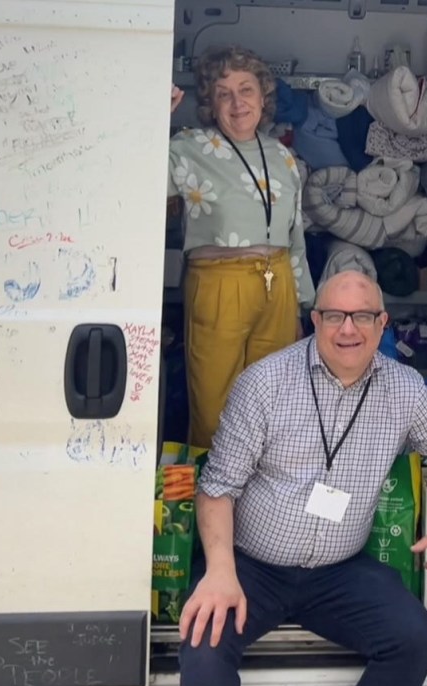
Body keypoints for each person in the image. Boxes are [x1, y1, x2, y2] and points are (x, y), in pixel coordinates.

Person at [178, 270, 427, 686]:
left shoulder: (404, 389)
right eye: (335, 316)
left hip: (337, 572)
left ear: (383, 323)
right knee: (203, 643)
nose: (348, 329)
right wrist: (220, 570)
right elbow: (217, 487)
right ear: (315, 320)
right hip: (251, 567)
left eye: (362, 316)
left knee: (414, 639)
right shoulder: (265, 383)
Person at [169, 46, 316, 449]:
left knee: (276, 406)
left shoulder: (282, 156)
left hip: (278, 283)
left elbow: (296, 237)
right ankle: (213, 488)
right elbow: (136, 181)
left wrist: (302, 306)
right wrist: (152, 120)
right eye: (224, 93)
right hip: (219, 284)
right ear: (210, 103)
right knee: (214, 407)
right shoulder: (188, 148)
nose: (237, 103)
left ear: (263, 96)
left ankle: (265, 491)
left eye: (246, 89)